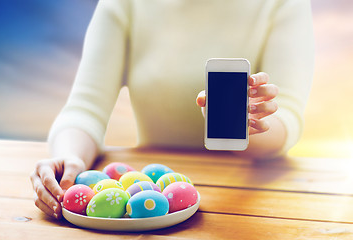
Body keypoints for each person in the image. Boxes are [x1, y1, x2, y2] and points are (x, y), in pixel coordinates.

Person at [30, 0, 314, 219]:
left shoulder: (282, 4)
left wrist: (244, 128)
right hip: (150, 209)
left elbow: (286, 118)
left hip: (252, 200)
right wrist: (69, 157)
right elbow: (86, 107)